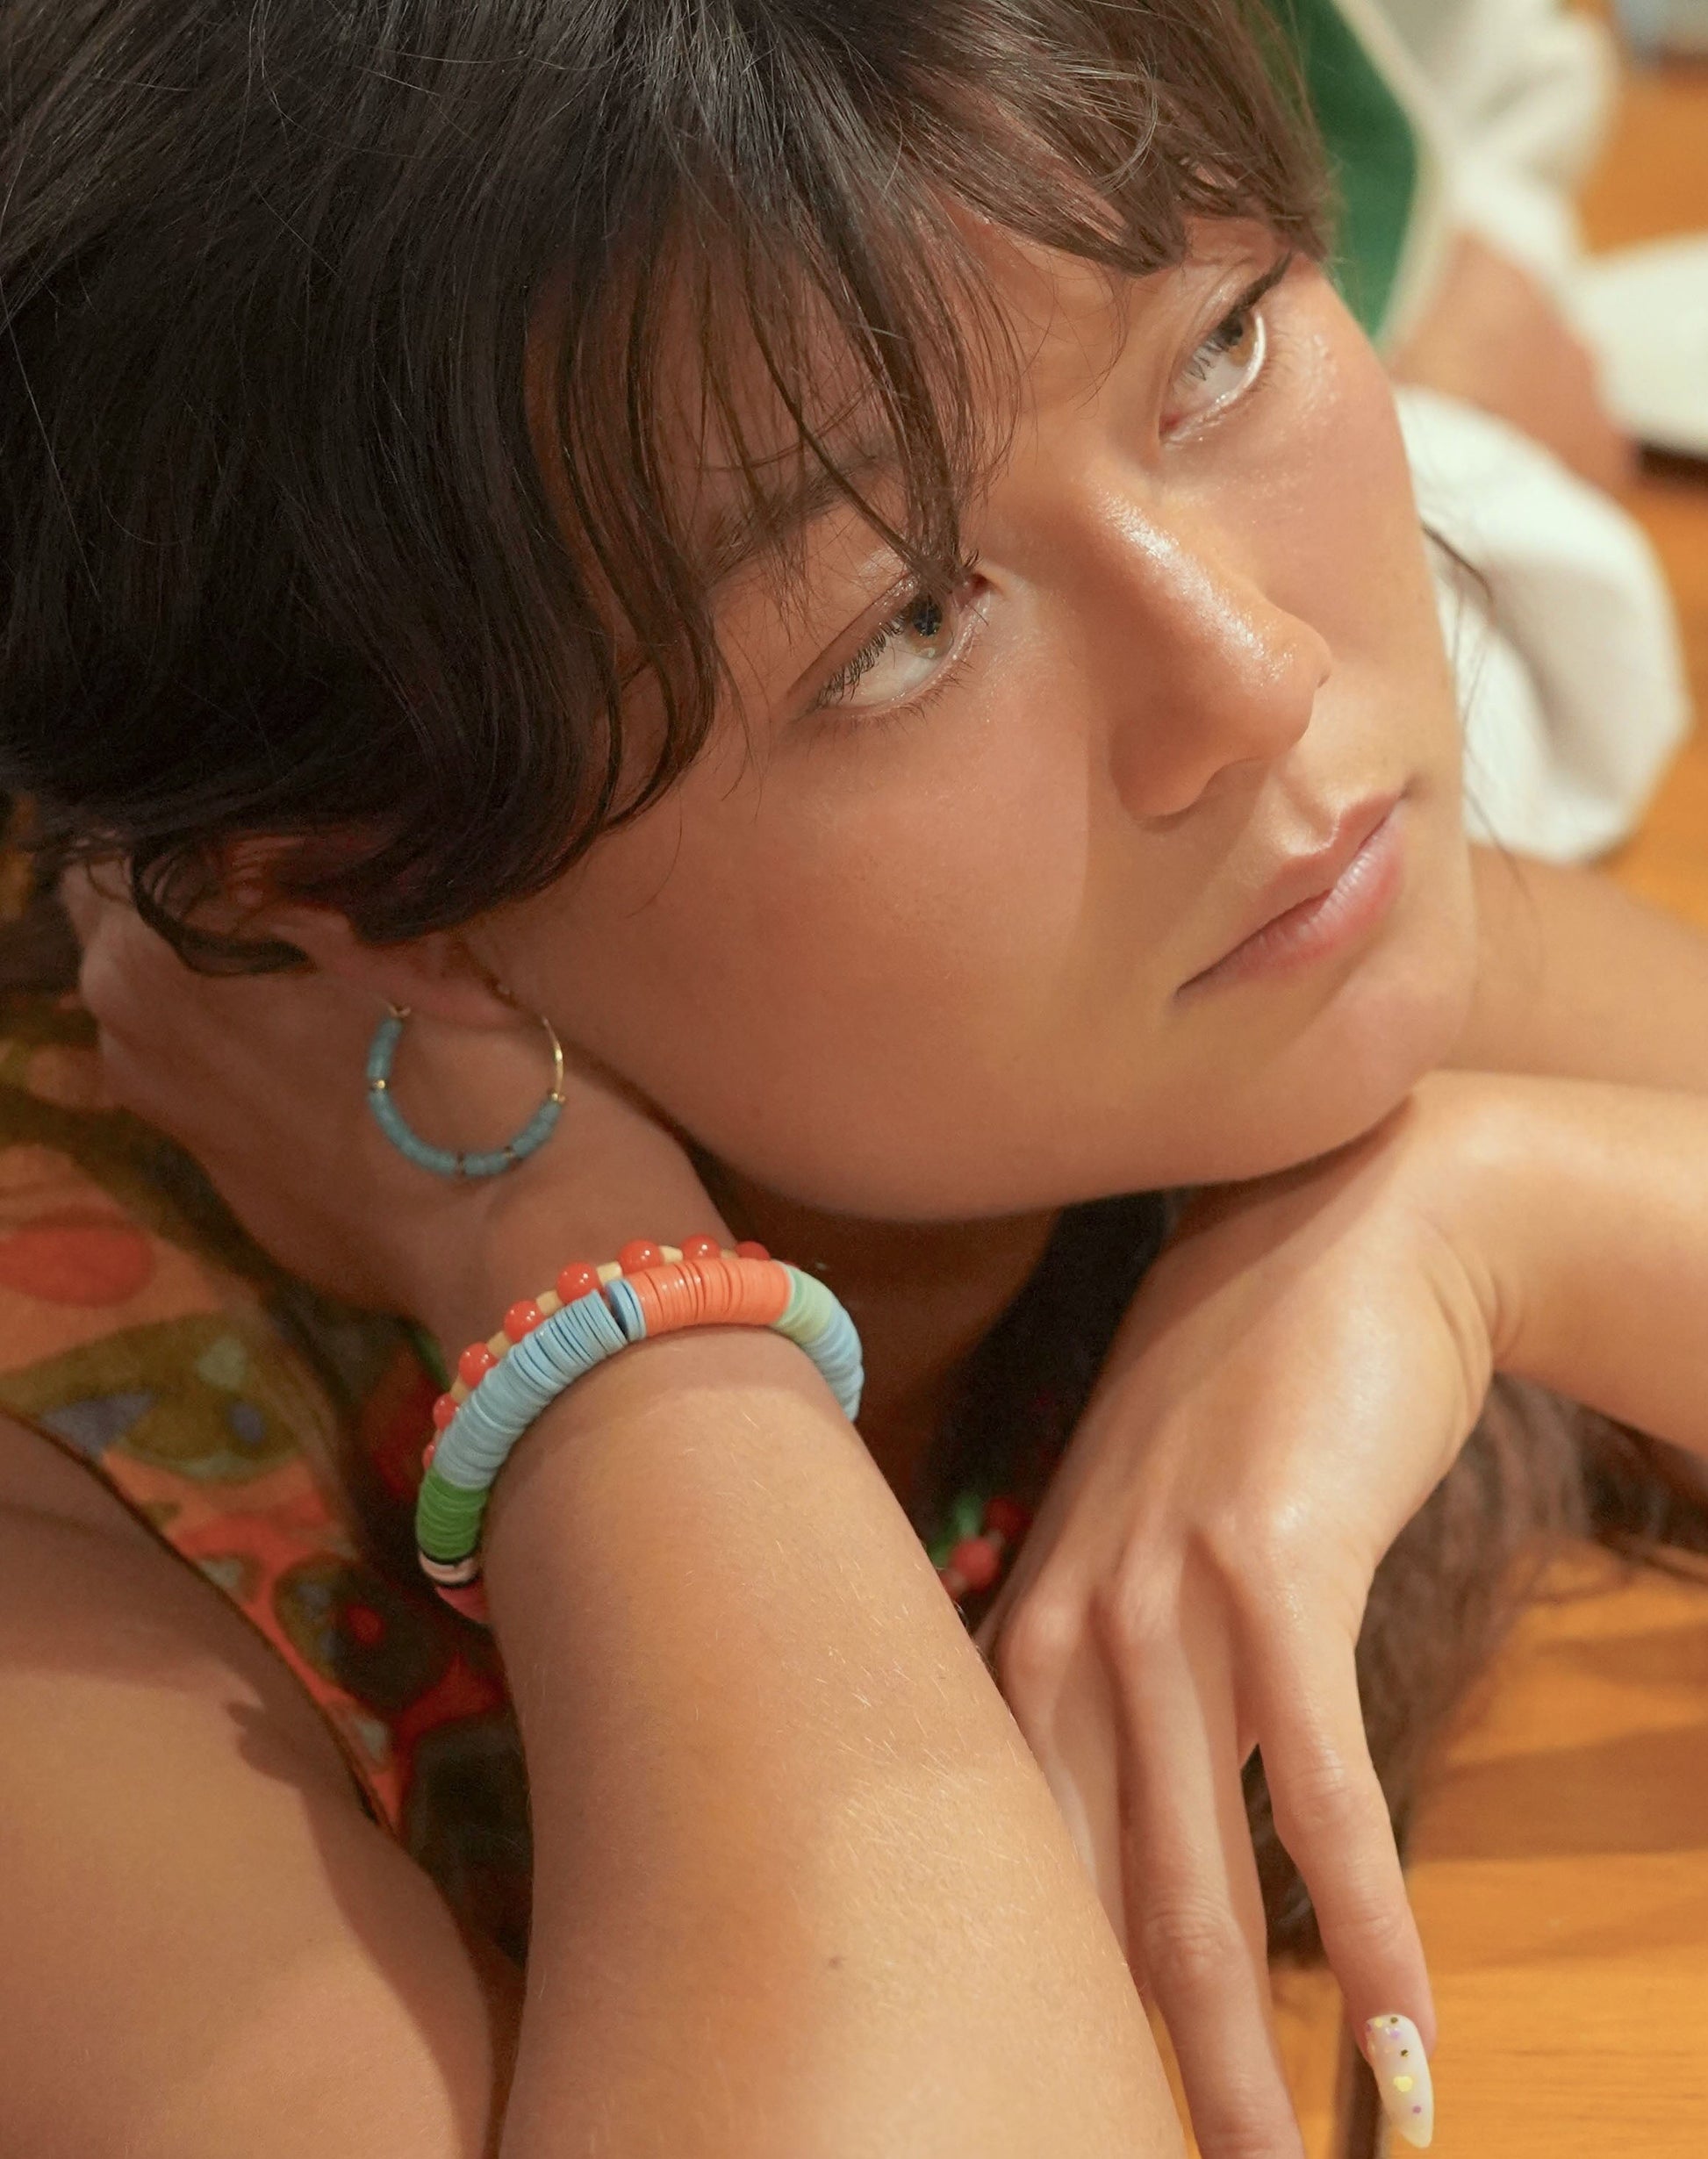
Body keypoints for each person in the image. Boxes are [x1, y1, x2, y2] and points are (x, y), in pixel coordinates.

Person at [3, 2, 1708, 2155]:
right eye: (903, 623)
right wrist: (574, 1274)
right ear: (383, 906)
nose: (1251, 672)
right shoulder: (73, 1563)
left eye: (1216, 350)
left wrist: (1486, 1222)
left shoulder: (1251, 946)